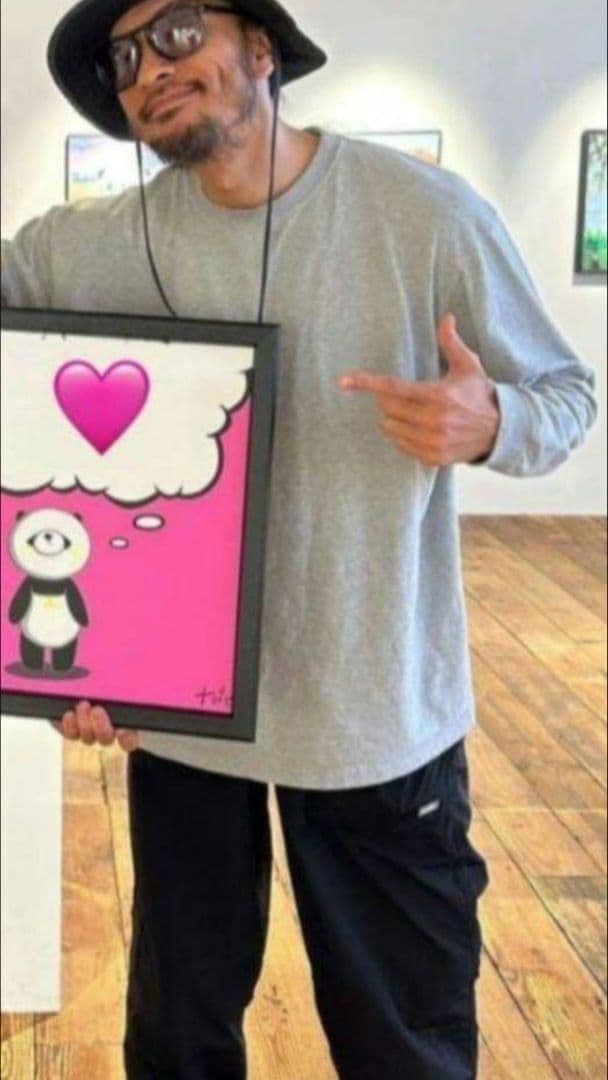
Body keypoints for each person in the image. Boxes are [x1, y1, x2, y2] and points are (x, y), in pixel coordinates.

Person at [1, 1, 598, 1076]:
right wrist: (68, 667)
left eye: (175, 32)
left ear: (261, 47)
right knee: (178, 1041)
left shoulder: (423, 215)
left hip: (374, 715)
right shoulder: (91, 245)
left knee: (404, 1044)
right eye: (122, 58)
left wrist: (492, 422)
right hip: (183, 724)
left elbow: (565, 393)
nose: (146, 69)